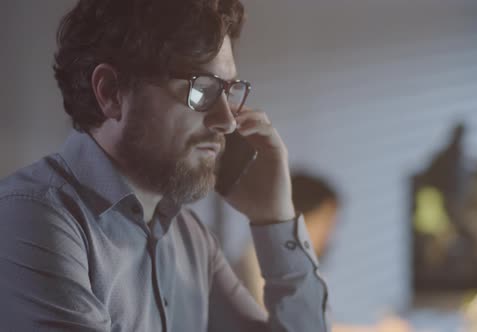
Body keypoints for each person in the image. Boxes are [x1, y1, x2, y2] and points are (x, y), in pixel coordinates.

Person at [0, 1, 329, 331]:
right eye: (202, 89)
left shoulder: (190, 237)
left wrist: (275, 219)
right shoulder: (29, 220)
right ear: (111, 92)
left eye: (228, 91)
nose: (227, 121)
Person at [238, 173, 412, 332]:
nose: (329, 236)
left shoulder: (297, 268)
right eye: (326, 222)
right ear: (300, 215)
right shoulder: (263, 258)